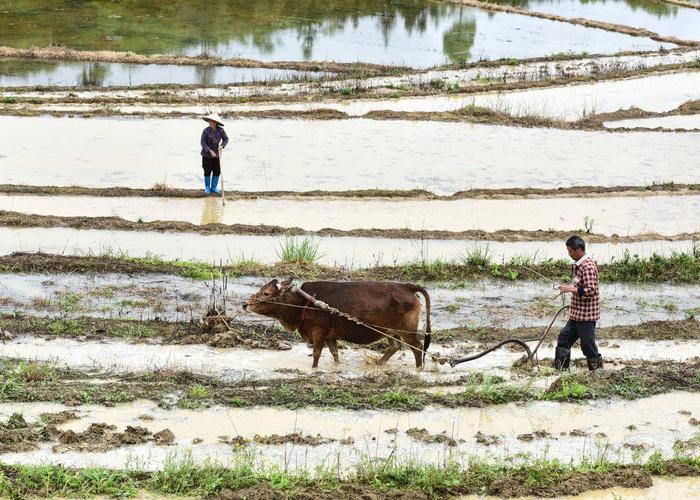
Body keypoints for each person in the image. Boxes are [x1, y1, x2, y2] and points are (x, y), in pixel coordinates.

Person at [556, 235, 603, 372]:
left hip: (586, 316)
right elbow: (579, 286)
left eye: (570, 251)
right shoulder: (579, 265)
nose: (569, 254)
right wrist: (569, 287)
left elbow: (591, 291)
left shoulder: (587, 266)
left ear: (578, 250)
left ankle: (597, 373)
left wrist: (570, 288)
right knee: (564, 339)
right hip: (576, 314)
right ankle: (561, 371)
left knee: (588, 346)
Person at [200, 113, 228, 195]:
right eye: (209, 121)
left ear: (215, 122)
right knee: (207, 171)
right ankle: (207, 188)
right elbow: (202, 143)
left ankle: (214, 187)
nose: (209, 123)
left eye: (211, 122)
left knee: (217, 171)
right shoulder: (205, 131)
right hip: (206, 155)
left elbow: (226, 139)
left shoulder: (221, 130)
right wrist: (209, 151)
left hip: (217, 155)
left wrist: (222, 146)